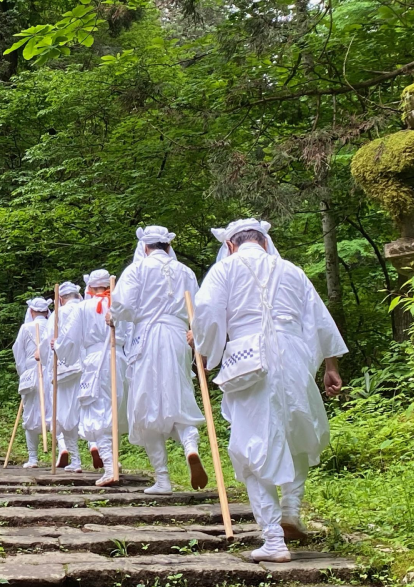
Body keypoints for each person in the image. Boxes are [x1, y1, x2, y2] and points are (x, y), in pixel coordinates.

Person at [192, 218, 346, 563]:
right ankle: (291, 511)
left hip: (249, 361)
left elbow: (207, 313)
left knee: (250, 442)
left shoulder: (225, 270)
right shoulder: (292, 270)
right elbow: (319, 319)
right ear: (264, 240)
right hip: (294, 357)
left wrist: (204, 354)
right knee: (296, 431)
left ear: (230, 244)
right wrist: (331, 367)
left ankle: (274, 538)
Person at [109, 226, 208, 494]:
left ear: (144, 246)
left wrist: (114, 316)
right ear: (167, 246)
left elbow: (123, 305)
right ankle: (190, 446)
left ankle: (163, 478)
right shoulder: (185, 271)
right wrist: (196, 333)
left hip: (148, 338)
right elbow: (198, 308)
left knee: (145, 404)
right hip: (177, 337)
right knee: (179, 394)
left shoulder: (137, 269)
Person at [54, 270, 129, 484]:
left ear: (89, 288)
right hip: (120, 359)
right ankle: (112, 458)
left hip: (97, 360)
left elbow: (69, 337)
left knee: (97, 411)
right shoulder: (121, 304)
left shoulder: (83, 308)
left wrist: (59, 347)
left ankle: (110, 466)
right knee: (113, 409)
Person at [12, 297, 54, 468]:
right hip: (51, 372)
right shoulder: (52, 327)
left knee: (30, 413)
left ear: (31, 311)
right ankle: (64, 453)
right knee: (54, 409)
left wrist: (24, 373)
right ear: (46, 312)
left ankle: (33, 458)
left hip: (32, 372)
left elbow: (18, 353)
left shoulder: (25, 328)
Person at [46, 281, 84, 471]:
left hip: (64, 369)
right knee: (91, 411)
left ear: (60, 299)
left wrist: (56, 348)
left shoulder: (58, 314)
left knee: (66, 413)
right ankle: (104, 453)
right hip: (90, 365)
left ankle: (76, 460)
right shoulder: (89, 308)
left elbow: (50, 343)